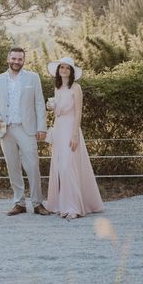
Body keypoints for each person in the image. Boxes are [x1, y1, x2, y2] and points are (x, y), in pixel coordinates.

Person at [0, 47, 50, 216]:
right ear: (8, 59)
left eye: (20, 59)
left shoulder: (33, 78)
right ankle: (19, 203)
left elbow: (39, 103)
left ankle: (38, 203)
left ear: (23, 60)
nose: (16, 62)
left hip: (26, 128)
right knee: (12, 166)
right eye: (14, 58)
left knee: (33, 166)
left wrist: (41, 127)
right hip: (5, 129)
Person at [44, 57, 103, 219]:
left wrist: (75, 134)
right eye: (61, 67)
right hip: (59, 128)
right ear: (58, 71)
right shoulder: (57, 88)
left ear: (71, 71)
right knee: (60, 166)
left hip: (71, 128)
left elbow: (78, 112)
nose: (63, 70)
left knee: (68, 166)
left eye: (67, 68)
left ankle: (73, 207)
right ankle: (59, 204)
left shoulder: (76, 88)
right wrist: (52, 107)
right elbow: (58, 111)